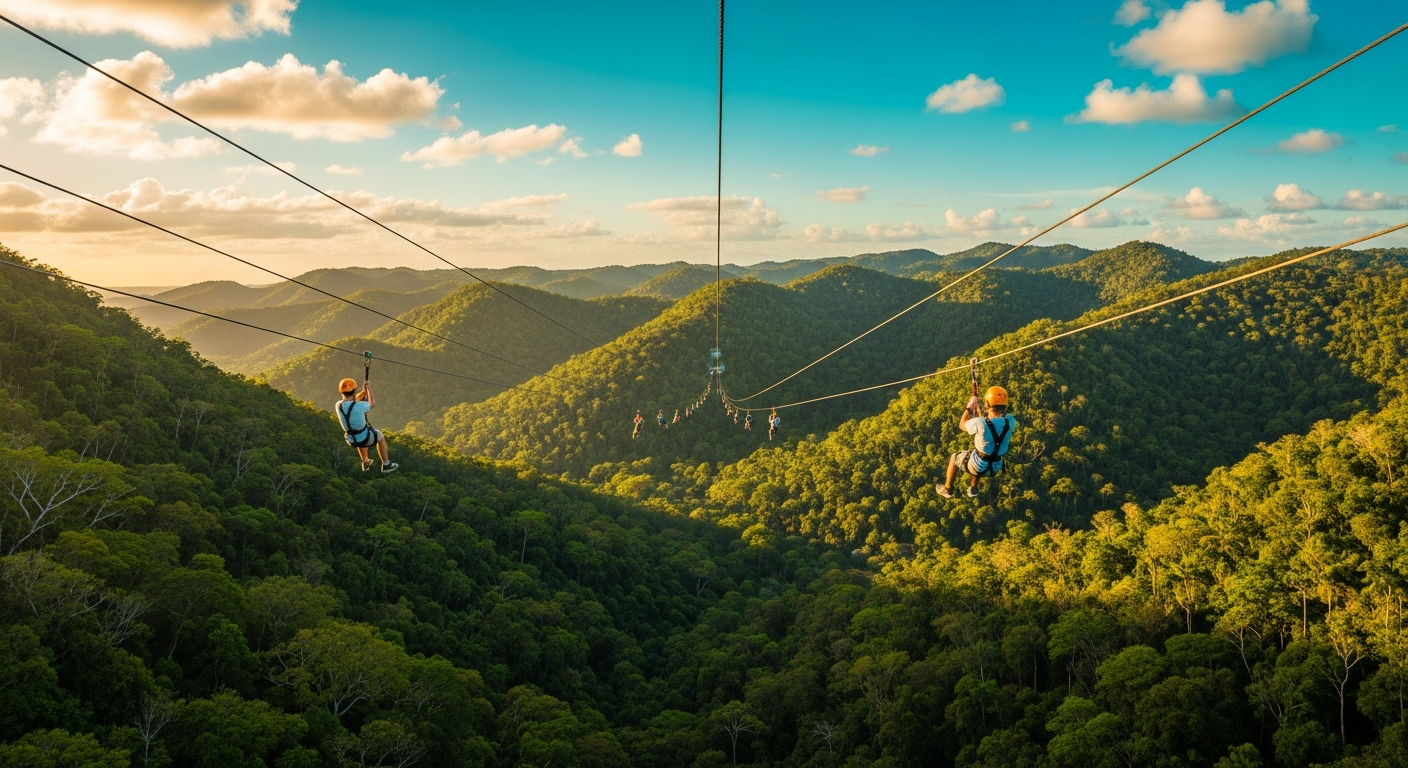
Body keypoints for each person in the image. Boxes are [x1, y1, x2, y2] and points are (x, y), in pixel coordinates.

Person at [937, 386, 1014, 499]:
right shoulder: (1010, 421)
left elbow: (962, 425)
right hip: (996, 466)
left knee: (955, 457)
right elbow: (989, 423)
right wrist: (978, 409)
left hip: (977, 465)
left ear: (987, 404)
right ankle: (973, 487)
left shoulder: (980, 423)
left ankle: (948, 489)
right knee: (980, 455)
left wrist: (969, 408)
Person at [334, 377, 398, 473]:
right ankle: (386, 464)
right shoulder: (359, 406)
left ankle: (365, 461)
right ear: (354, 391)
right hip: (363, 438)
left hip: (350, 439)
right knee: (379, 436)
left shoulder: (338, 405)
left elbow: (353, 402)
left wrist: (364, 391)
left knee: (361, 433)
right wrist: (368, 388)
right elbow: (372, 404)